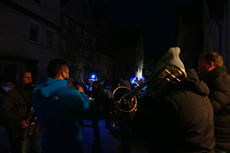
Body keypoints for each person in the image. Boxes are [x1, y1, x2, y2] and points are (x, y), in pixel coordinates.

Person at [147, 47, 215, 153]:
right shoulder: (202, 93)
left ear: (167, 76)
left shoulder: (171, 100)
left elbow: (155, 138)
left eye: (160, 77)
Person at [32, 59, 90, 153]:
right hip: (69, 144)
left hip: (48, 143)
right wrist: (82, 94)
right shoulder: (69, 93)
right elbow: (88, 112)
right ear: (63, 74)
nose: (68, 75)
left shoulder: (37, 93)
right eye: (68, 72)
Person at [197, 51, 230, 153]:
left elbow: (209, 108)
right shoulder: (216, 80)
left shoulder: (222, 83)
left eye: (200, 65)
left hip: (222, 142)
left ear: (210, 65)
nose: (198, 68)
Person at [1, 71, 41, 153]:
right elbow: (6, 112)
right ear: (20, 79)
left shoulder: (34, 93)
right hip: (20, 131)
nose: (30, 80)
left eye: (30, 78)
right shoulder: (12, 94)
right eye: (27, 78)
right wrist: (19, 121)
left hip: (35, 130)